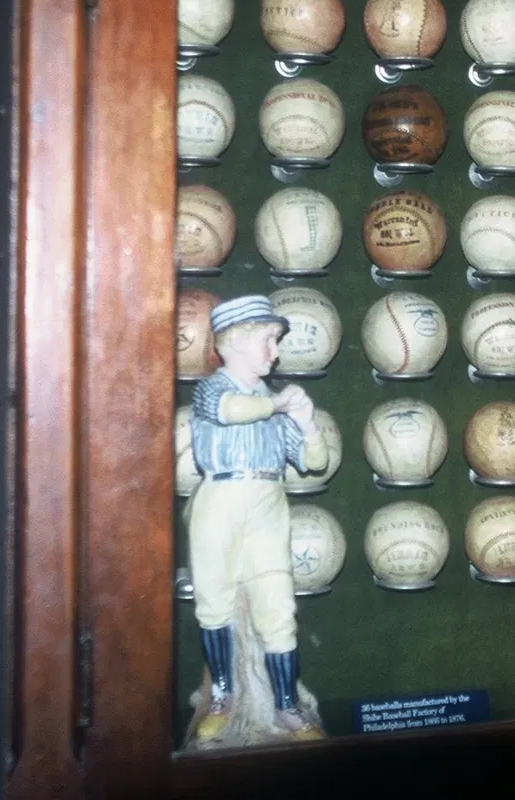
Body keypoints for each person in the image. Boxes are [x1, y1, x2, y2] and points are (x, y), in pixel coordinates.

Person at [187, 294, 326, 744]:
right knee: (214, 605)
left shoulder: (272, 401)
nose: (275, 351)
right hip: (220, 499)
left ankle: (286, 706)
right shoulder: (212, 389)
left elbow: (316, 462)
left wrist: (307, 423)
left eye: (276, 340)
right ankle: (222, 698)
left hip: (267, 501)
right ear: (234, 342)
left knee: (278, 608)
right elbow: (229, 411)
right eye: (267, 339)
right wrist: (280, 405)